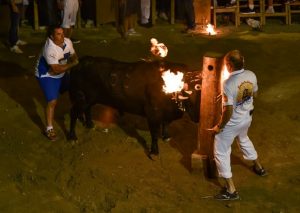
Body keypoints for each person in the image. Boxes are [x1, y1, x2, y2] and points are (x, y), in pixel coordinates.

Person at [211, 50, 267, 201]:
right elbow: (254, 94)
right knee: (243, 139)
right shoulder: (251, 74)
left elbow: (227, 110)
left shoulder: (228, 82)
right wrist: (239, 97)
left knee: (220, 150)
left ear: (229, 65)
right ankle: (259, 168)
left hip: (233, 123)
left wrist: (220, 126)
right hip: (247, 118)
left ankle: (231, 190)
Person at [35, 25, 78, 141]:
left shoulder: (67, 41)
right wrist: (73, 64)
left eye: (62, 32)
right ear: (51, 36)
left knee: (74, 88)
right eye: (58, 34)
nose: (62, 36)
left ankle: (74, 110)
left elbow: (73, 55)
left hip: (61, 73)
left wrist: (72, 61)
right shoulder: (50, 49)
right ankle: (49, 128)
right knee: (52, 101)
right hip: (47, 75)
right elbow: (56, 70)